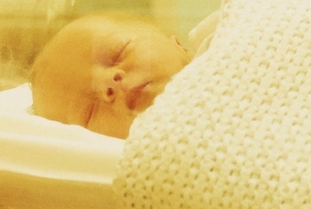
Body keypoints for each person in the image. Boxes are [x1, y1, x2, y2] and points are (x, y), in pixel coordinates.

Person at [30, 12, 212, 139]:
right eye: (90, 112)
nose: (108, 84)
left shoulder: (217, 42)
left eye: (118, 53)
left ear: (176, 44)